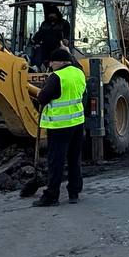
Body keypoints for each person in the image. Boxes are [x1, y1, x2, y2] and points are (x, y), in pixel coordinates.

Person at [32, 47, 85, 207]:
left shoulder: (57, 77)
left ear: (60, 62)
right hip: (77, 123)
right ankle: (74, 192)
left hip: (59, 125)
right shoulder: (79, 73)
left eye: (52, 62)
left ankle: (52, 196)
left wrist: (42, 89)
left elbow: (42, 98)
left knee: (56, 161)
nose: (50, 65)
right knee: (74, 159)